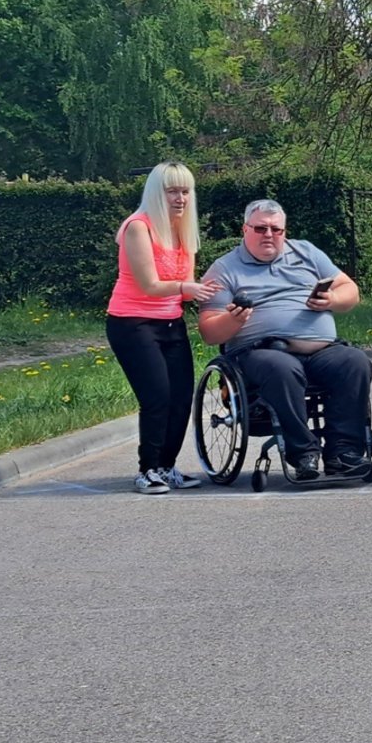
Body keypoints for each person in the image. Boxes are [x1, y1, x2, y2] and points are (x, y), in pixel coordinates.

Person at [198, 200, 372, 482]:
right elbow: (208, 332)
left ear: (284, 231)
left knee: (354, 362)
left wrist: (333, 299)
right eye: (260, 228)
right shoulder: (224, 269)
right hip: (260, 352)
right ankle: (303, 453)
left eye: (275, 229)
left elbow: (349, 289)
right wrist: (234, 320)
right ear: (245, 230)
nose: (268, 234)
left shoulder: (306, 252)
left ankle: (344, 453)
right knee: (281, 367)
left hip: (319, 350)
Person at [106, 162, 220, 494]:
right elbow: (149, 285)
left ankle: (167, 467)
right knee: (157, 396)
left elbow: (188, 286)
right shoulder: (138, 227)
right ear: (157, 193)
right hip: (132, 322)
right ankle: (147, 470)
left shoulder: (184, 230)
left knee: (182, 398)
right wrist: (188, 289)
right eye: (172, 191)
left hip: (171, 323)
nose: (180, 198)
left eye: (185, 191)